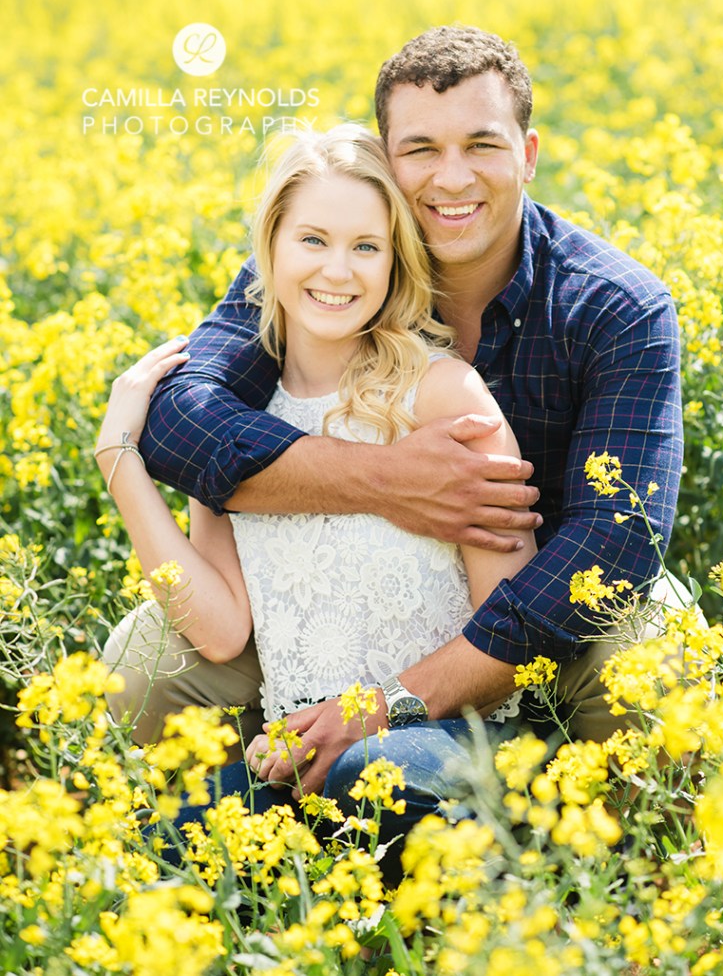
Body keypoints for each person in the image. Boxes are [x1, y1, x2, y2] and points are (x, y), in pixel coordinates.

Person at [106, 25, 684, 808]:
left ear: (530, 152)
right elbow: (184, 420)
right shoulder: (328, 268)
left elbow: (615, 548)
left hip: (540, 610)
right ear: (385, 159)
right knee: (144, 659)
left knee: (647, 644)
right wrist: (388, 482)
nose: (452, 179)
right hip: (346, 610)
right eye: (420, 150)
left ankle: (621, 871)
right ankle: (241, 847)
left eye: (481, 144)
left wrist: (391, 703)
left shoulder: (617, 306)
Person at [97, 125, 536, 855]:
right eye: (313, 240)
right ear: (267, 249)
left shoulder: (442, 395)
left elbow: (513, 634)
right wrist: (119, 458)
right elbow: (220, 627)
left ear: (396, 263)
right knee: (177, 839)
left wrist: (371, 714)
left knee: (369, 775)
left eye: (366, 247)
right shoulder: (237, 422)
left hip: (451, 736)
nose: (339, 271)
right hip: (298, 754)